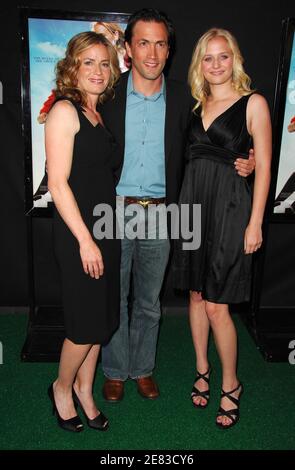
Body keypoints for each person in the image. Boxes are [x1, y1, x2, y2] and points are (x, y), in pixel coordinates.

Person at [100, 9, 255, 403]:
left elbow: (215, 141)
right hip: (113, 210)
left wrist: (247, 160)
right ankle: (116, 371)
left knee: (150, 302)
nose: (152, 52)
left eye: (161, 43)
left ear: (169, 50)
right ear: (129, 48)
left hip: (165, 213)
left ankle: (143, 369)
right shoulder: (108, 96)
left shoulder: (190, 100)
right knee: (113, 297)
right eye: (143, 42)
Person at [173, 28, 272, 428]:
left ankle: (231, 383)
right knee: (196, 297)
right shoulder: (194, 106)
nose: (216, 64)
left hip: (232, 210)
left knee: (218, 305)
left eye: (223, 56)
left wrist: (256, 222)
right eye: (208, 58)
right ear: (200, 64)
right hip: (193, 207)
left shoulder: (254, 103)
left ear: (235, 59)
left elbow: (262, 165)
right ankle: (202, 369)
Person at [45, 31, 121, 432]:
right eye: (88, 62)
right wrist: (86, 240)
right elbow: (58, 184)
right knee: (84, 323)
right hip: (80, 234)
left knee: (102, 319)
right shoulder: (64, 111)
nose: (97, 70)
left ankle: (86, 391)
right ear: (72, 66)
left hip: (105, 228)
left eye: (104, 63)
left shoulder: (97, 113)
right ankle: (61, 386)